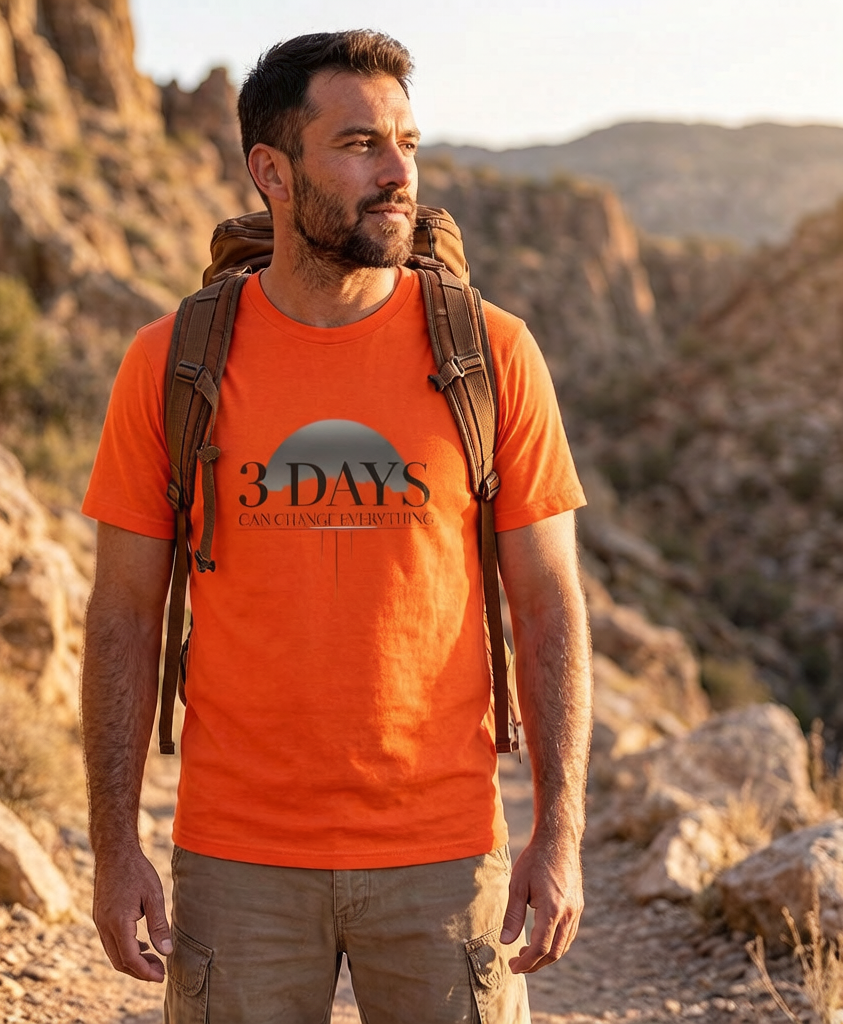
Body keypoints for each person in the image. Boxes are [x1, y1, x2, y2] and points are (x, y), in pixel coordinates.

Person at [80, 29, 593, 1024]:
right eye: (359, 144)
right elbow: (123, 615)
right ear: (271, 172)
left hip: (447, 855)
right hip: (236, 859)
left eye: (407, 142)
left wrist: (559, 830)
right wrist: (114, 848)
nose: (398, 173)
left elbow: (549, 604)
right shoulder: (170, 362)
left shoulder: (491, 353)